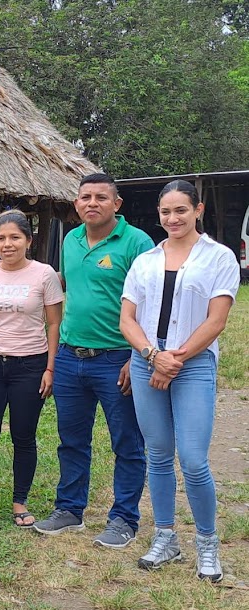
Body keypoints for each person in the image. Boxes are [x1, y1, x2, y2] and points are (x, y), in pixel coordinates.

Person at [120, 180, 239, 581]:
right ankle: (166, 538)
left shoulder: (219, 257)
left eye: (181, 211)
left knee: (192, 459)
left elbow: (216, 320)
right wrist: (154, 356)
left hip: (194, 364)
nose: (173, 219)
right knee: (157, 455)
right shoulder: (146, 260)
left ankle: (207, 543)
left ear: (198, 210)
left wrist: (176, 358)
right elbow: (127, 319)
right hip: (146, 362)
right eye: (166, 212)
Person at [34, 173, 154, 548]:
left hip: (116, 357)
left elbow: (150, 305)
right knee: (71, 440)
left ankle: (123, 519)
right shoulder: (71, 240)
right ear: (76, 204)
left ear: (116, 205)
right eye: (85, 197)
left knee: (127, 442)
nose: (92, 203)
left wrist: (136, 357)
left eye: (101, 198)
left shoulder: (137, 243)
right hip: (71, 356)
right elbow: (67, 287)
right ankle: (70, 509)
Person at [0, 210, 63, 526]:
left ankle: (20, 501)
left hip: (30, 366)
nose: (7, 244)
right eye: (1, 238)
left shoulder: (44, 274)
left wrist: (50, 368)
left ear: (28, 240)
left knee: (23, 435)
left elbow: (54, 323)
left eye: (14, 237)